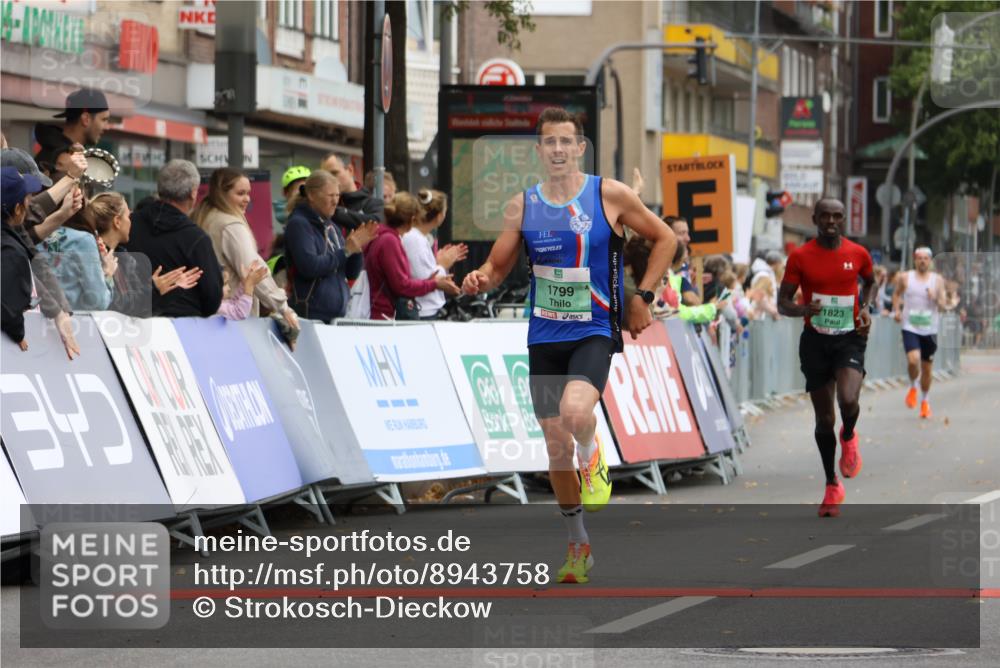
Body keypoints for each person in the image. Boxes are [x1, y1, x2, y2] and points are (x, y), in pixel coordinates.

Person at [461, 107, 675, 583]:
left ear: (580, 148)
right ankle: (578, 543)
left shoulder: (609, 194)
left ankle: (593, 453)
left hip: (594, 329)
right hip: (544, 335)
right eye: (549, 143)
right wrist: (480, 278)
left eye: (566, 142)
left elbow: (663, 239)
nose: (557, 150)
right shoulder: (524, 205)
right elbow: (497, 267)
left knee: (578, 414)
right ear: (539, 151)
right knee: (554, 446)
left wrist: (643, 295)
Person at [778, 198, 876, 518]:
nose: (831, 221)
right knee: (824, 420)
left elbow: (871, 283)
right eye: (825, 216)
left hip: (849, 339)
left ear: (843, 218)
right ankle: (832, 483)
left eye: (837, 215)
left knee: (848, 401)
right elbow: (782, 302)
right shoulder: (800, 256)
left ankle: (849, 435)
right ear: (815, 218)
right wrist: (803, 309)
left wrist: (866, 307)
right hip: (815, 342)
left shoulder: (858, 254)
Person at [193, 168, 300, 335]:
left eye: (248, 193)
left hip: (207, 315)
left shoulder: (202, 217)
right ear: (222, 193)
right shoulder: (231, 226)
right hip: (233, 319)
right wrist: (282, 307)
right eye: (241, 193)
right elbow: (254, 269)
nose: (247, 199)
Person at [128, 159, 223, 317]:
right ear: (193, 193)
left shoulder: (129, 225)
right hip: (183, 327)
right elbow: (212, 299)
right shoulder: (196, 238)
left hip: (127, 324)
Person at [1, 167, 80, 359]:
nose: (31, 203)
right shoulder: (11, 250)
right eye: (27, 199)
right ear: (18, 209)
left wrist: (59, 312)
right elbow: (7, 305)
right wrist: (18, 333)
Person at [84, 192, 201, 317]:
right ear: (117, 221)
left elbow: (139, 310)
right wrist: (154, 289)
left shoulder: (124, 258)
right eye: (129, 216)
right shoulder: (93, 259)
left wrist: (167, 289)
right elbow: (116, 307)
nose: (131, 221)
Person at [284, 170, 378, 322]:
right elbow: (310, 266)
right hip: (311, 316)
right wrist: (346, 251)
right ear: (312, 196)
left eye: (337, 195)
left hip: (335, 317)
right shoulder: (299, 224)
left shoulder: (332, 226)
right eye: (330, 196)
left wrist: (356, 249)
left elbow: (350, 273)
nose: (335, 201)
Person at [366, 191, 459, 320]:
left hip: (384, 313)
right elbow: (402, 285)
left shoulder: (387, 237)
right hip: (384, 315)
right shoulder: (389, 241)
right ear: (412, 219)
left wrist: (431, 281)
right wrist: (434, 283)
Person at [892, 247, 950, 419]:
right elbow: (896, 295)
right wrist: (896, 310)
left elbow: (943, 305)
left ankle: (925, 401)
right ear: (915, 260)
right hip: (910, 326)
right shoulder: (905, 277)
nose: (923, 261)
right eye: (920, 258)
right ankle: (912, 386)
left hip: (930, 330)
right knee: (913, 359)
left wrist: (935, 298)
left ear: (930, 261)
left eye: (926, 258)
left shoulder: (937, 280)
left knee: (927, 369)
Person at [401, 189, 468, 320]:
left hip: (424, 308)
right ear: (439, 216)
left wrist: (438, 262)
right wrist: (442, 264)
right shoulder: (414, 238)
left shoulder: (418, 237)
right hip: (422, 310)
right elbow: (426, 278)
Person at [320, 153, 383, 232]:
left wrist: (335, 211)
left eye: (334, 173)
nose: (329, 180)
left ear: (350, 170)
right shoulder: (324, 206)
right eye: (326, 177)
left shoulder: (372, 203)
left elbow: (377, 224)